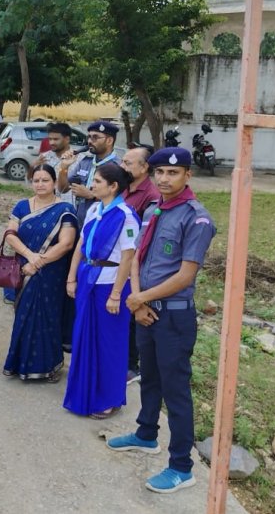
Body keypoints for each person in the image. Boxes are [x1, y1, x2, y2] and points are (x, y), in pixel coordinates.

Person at [107, 147, 216, 495]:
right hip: (146, 310)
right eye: (160, 174)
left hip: (174, 316)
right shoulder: (154, 209)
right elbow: (137, 257)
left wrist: (142, 298)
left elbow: (185, 275)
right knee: (149, 377)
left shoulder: (196, 218)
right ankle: (145, 433)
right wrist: (137, 300)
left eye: (173, 173)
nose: (165, 179)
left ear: (187, 175)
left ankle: (182, 467)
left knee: (176, 390)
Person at [63, 163, 139, 420]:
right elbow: (81, 245)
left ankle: (110, 398)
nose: (92, 185)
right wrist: (71, 277)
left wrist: (117, 294)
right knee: (84, 336)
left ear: (113, 186)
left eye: (96, 181)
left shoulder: (126, 215)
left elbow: (128, 258)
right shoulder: (95, 209)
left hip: (110, 282)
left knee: (110, 342)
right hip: (88, 277)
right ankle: (84, 393)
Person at [1, 165, 78, 382]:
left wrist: (38, 263)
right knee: (23, 315)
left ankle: (49, 365)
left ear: (54, 182)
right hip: (24, 267)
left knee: (48, 315)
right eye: (36, 180)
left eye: (45, 180)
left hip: (51, 272)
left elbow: (66, 244)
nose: (40, 184)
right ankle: (18, 362)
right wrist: (30, 256)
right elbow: (10, 234)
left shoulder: (65, 209)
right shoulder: (22, 206)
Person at [57, 120, 120, 351]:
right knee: (72, 281)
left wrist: (91, 195)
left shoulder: (117, 168)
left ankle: (86, 338)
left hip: (103, 237)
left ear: (110, 140)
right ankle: (70, 335)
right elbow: (63, 188)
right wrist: (64, 168)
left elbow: (120, 201)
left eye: (95, 137)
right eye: (89, 137)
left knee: (93, 284)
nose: (90, 141)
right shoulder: (84, 161)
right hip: (78, 228)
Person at [120, 144, 160, 383]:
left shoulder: (151, 196)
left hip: (136, 265)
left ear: (145, 167)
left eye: (128, 163)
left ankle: (133, 366)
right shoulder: (123, 188)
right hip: (119, 263)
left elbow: (145, 239)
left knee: (134, 316)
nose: (123, 166)